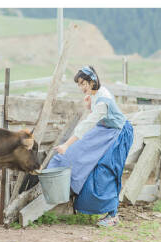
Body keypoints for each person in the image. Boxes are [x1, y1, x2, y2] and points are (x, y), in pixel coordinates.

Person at [46, 63, 133, 223]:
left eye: (83, 83)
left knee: (105, 170)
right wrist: (90, 102)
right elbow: (95, 110)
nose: (81, 87)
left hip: (118, 134)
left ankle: (113, 215)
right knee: (83, 156)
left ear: (92, 81)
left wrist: (66, 145)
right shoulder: (97, 93)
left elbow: (86, 125)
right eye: (79, 84)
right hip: (105, 130)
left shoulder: (103, 101)